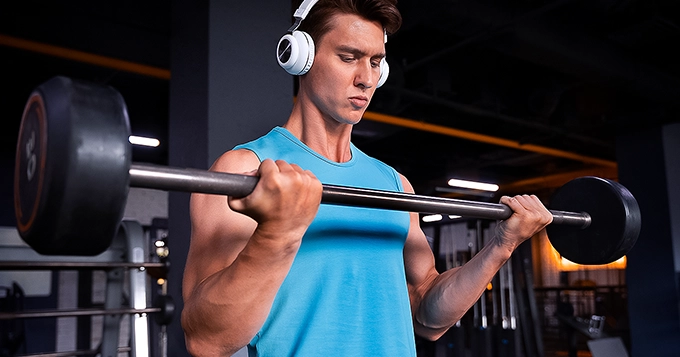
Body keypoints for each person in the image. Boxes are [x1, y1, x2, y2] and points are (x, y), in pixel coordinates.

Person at [181, 0, 553, 356]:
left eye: (376, 62)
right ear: (301, 56)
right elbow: (206, 340)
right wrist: (279, 231)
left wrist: (502, 246)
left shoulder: (394, 184)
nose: (366, 79)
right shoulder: (246, 170)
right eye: (348, 57)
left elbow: (429, 313)